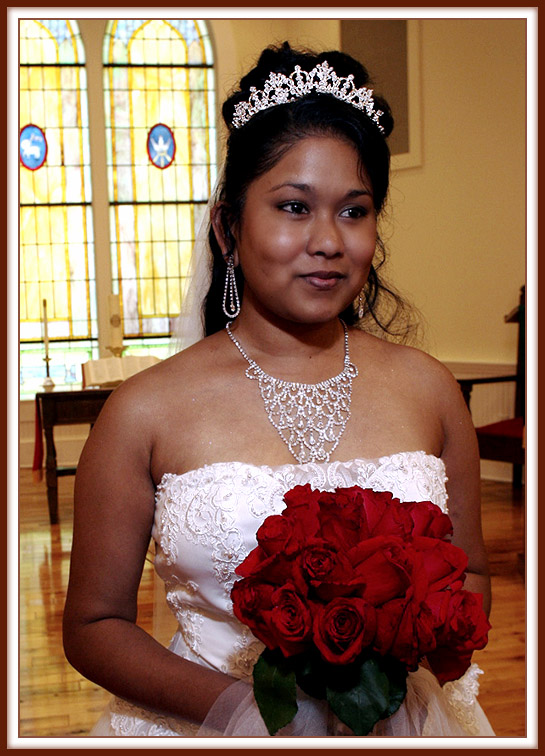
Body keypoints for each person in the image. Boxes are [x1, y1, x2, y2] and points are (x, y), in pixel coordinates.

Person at [63, 42, 494, 737]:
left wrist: (404, 653)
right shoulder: (143, 410)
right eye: (294, 207)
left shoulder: (428, 388)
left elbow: (470, 573)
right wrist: (237, 709)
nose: (328, 240)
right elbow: (93, 624)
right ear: (228, 226)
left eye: (353, 212)